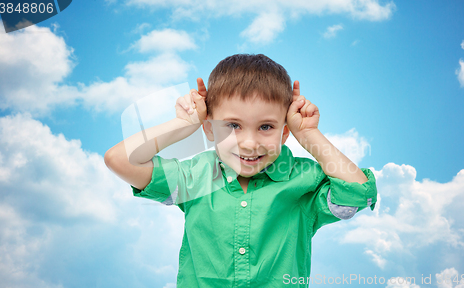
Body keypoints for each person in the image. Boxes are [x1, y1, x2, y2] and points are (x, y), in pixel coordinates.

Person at [104, 54, 377, 287]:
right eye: (233, 125)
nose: (249, 143)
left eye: (266, 127)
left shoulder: (304, 181)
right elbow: (119, 159)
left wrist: (309, 135)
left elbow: (357, 191)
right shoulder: (195, 176)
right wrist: (183, 125)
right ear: (209, 128)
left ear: (285, 132)